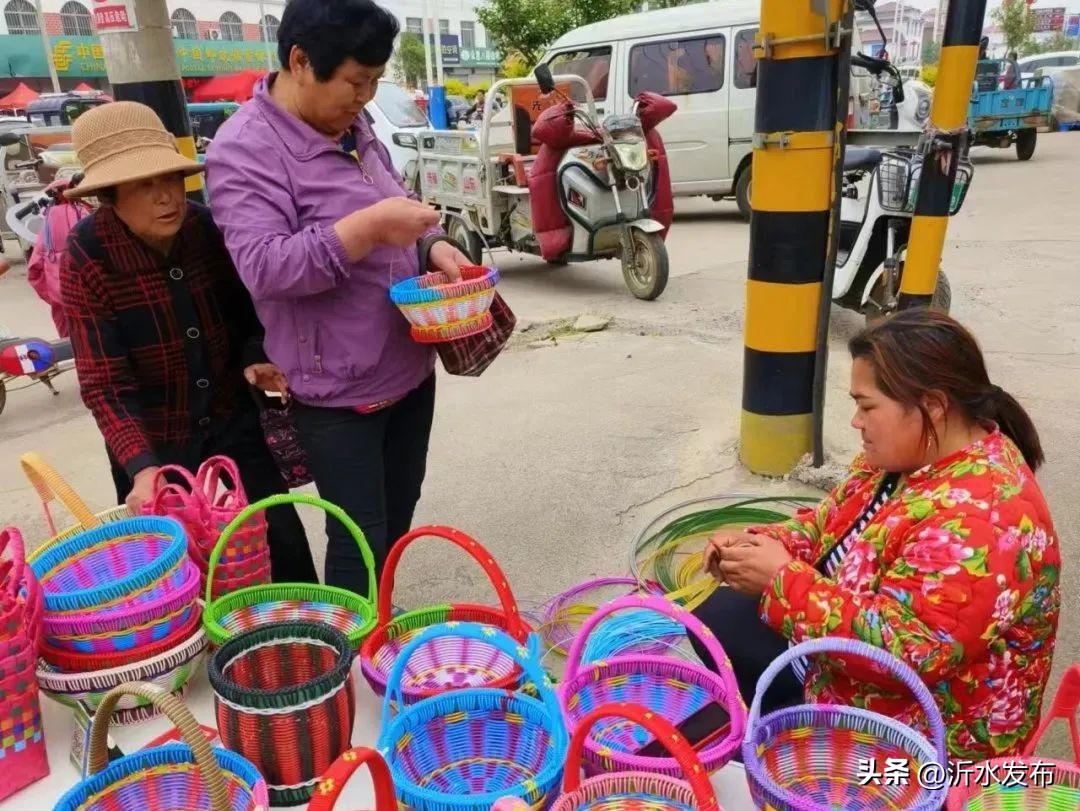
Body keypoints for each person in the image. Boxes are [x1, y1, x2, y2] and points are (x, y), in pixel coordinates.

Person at [692, 309, 1060, 761]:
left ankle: (802, 753)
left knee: (740, 622)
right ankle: (781, 735)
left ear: (933, 405)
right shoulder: (902, 455)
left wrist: (781, 581)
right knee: (720, 612)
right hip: (857, 662)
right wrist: (761, 546)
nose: (856, 422)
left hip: (932, 742)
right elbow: (830, 523)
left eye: (867, 407)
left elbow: (906, 656)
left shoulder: (986, 517)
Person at [205, 0, 472, 597]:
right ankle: (355, 668)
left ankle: (379, 632)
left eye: (375, 82)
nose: (365, 96)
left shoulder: (356, 128)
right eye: (356, 81)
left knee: (396, 520)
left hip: (406, 368)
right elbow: (266, 267)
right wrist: (370, 227)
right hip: (336, 392)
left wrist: (432, 247)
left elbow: (394, 199)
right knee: (358, 538)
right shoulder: (243, 151)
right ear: (300, 61)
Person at [60, 101, 318, 584]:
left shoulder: (206, 228)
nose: (167, 197)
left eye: (172, 179)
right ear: (110, 195)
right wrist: (141, 467)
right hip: (155, 444)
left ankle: (307, 646)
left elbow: (251, 313)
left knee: (279, 545)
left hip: (231, 423)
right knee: (178, 579)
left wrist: (255, 357)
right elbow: (104, 384)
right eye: (145, 184)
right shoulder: (85, 255)